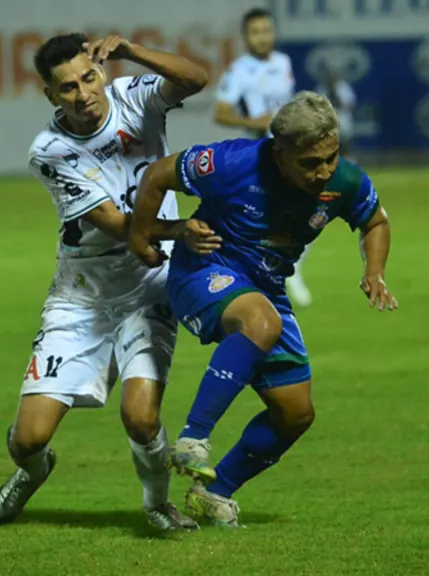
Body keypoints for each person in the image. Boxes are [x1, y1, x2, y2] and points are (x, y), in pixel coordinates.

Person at [127, 92, 399, 527]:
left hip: (266, 286)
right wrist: (142, 237)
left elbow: (375, 221)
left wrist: (375, 271)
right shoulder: (230, 163)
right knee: (261, 321)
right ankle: (193, 439)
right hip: (205, 269)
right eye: (310, 163)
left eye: (331, 157)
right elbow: (157, 174)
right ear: (279, 153)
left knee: (295, 413)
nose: (324, 171)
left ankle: (213, 493)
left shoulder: (343, 180)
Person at [0, 32, 212, 531]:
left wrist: (132, 50)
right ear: (50, 95)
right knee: (28, 439)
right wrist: (180, 229)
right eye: (67, 88)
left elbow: (196, 78)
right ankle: (32, 472)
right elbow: (118, 224)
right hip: (81, 298)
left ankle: (157, 506)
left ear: (101, 71)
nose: (83, 93)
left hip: (150, 288)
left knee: (141, 416)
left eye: (89, 77)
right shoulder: (50, 151)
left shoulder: (135, 97)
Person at [213, 8, 314, 308]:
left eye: (266, 31)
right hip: (265, 153)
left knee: (311, 213)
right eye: (255, 32)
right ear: (245, 37)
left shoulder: (283, 62)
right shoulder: (239, 70)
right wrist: (260, 122)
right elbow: (221, 112)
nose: (262, 38)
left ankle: (284, 268)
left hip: (293, 148)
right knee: (281, 215)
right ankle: (262, 275)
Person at [315, 69, 357, 159]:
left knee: (345, 148)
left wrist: (338, 101)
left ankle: (349, 168)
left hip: (343, 120)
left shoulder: (343, 87)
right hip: (327, 124)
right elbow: (317, 105)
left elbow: (351, 103)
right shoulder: (322, 88)